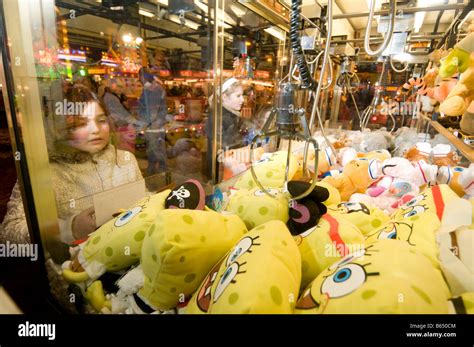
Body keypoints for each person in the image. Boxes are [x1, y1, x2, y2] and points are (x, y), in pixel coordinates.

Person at [0, 83, 143, 245]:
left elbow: (143, 201)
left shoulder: (125, 159)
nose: (95, 129)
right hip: (75, 266)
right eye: (81, 123)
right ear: (62, 128)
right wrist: (69, 229)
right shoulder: (44, 172)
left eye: (101, 120)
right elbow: (8, 232)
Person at [138, 67, 168, 176]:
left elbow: (151, 110)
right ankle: (157, 171)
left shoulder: (151, 90)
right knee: (155, 150)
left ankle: (160, 173)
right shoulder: (158, 89)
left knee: (155, 150)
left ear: (142, 77)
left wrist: (146, 123)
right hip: (156, 125)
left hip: (153, 126)